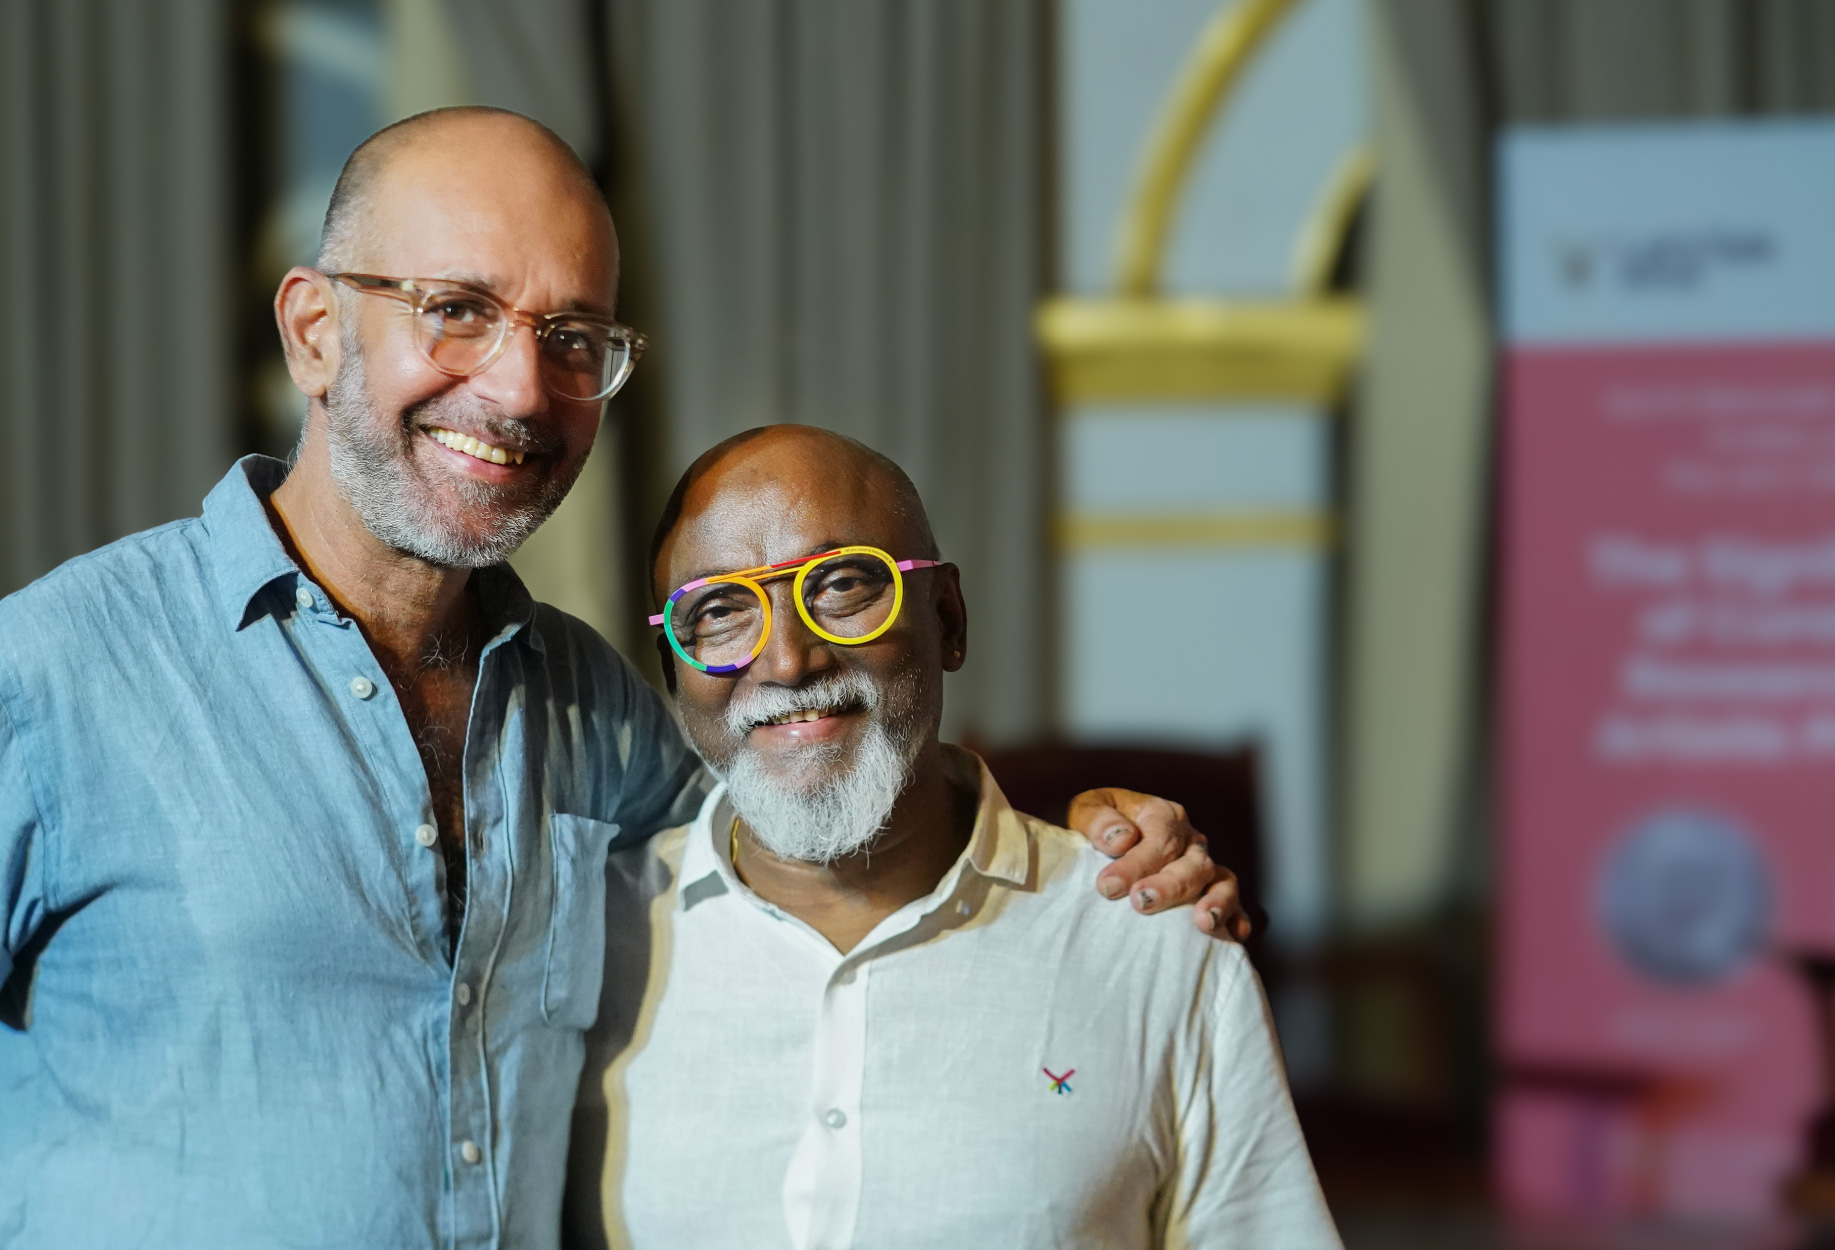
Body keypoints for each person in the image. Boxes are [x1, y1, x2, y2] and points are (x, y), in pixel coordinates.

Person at [0, 107, 1242, 1248]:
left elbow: (814, 813)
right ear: (316, 330)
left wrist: (1080, 845)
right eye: (457, 307)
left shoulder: (589, 708)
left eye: (571, 337)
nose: (519, 388)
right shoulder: (52, 672)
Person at [568, 425, 1340, 1250]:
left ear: (949, 618)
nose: (788, 660)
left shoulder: (1151, 941)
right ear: (672, 672)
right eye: (719, 611)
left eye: (841, 586)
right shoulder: (580, 945)